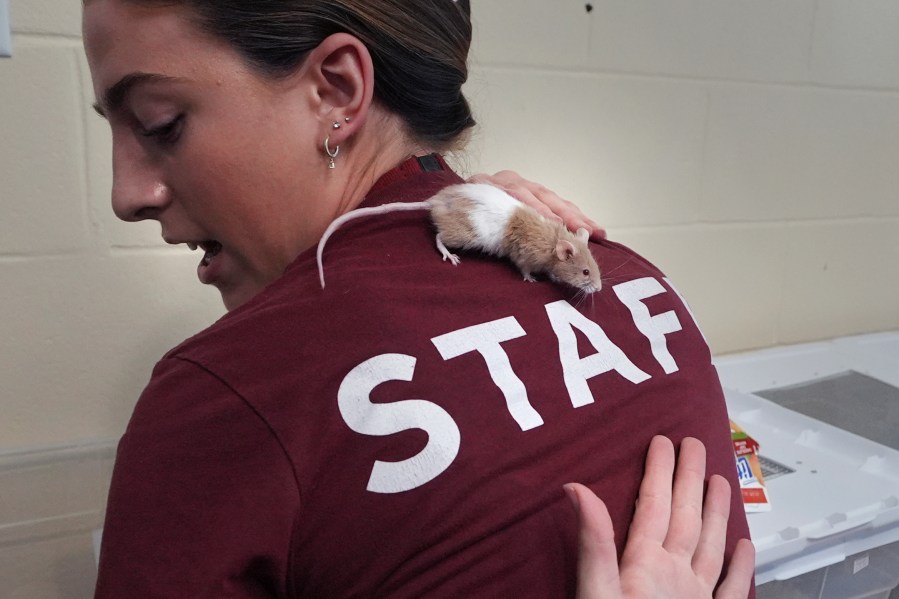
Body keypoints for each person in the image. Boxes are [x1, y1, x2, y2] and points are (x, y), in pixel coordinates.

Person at [82, 0, 755, 596]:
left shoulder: (223, 394)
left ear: (336, 89)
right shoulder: (643, 286)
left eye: (160, 123)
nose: (126, 195)